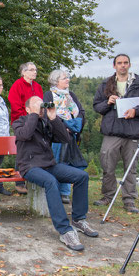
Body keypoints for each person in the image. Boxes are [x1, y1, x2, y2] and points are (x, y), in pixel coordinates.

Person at [12, 96, 97, 251]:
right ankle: (64, 230)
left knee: (81, 176)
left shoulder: (47, 122)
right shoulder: (20, 122)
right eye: (37, 106)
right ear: (28, 109)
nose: (41, 109)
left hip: (49, 165)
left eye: (42, 105)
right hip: (29, 166)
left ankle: (78, 219)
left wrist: (53, 117)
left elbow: (65, 138)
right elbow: (25, 135)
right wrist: (34, 115)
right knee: (50, 181)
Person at [92, 54, 139, 213]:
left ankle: (129, 200)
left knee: (131, 167)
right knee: (107, 164)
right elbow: (97, 107)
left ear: (130, 65)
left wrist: (136, 111)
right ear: (114, 66)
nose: (122, 65)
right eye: (119, 63)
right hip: (112, 130)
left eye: (125, 63)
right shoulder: (105, 84)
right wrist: (107, 102)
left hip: (133, 131)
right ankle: (108, 196)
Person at [43, 70, 87, 205]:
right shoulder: (49, 95)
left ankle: (65, 192)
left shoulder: (71, 95)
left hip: (72, 135)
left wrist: (76, 125)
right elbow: (47, 114)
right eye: (64, 78)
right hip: (56, 136)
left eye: (68, 77)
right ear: (56, 81)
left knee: (68, 162)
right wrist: (62, 127)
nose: (68, 80)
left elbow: (81, 112)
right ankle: (54, 190)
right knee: (56, 162)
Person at [7, 62, 44, 194]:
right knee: (22, 149)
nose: (35, 72)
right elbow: (15, 106)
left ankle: (34, 177)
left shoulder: (38, 87)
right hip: (22, 122)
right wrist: (28, 120)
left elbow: (41, 103)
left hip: (37, 122)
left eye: (36, 70)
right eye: (32, 70)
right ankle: (19, 181)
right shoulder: (17, 85)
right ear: (24, 72)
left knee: (36, 148)